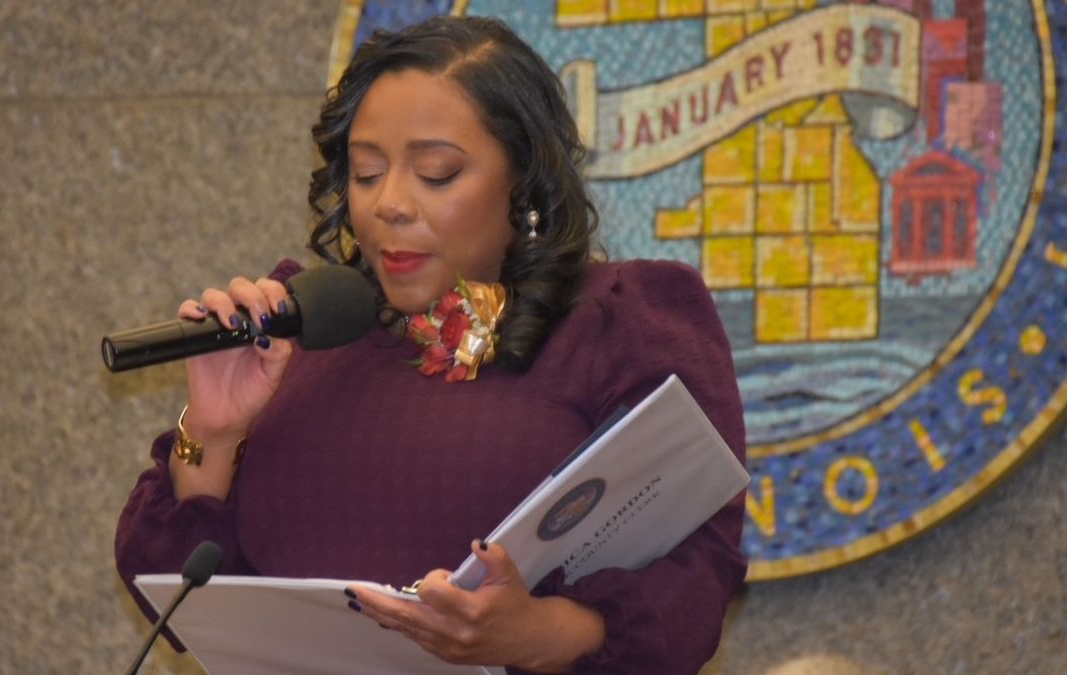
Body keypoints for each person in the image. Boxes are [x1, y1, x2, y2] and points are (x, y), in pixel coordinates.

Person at [115, 15, 746, 675]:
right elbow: (178, 601)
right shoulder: (298, 324)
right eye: (365, 173)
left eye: (437, 174)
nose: (389, 203)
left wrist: (536, 633)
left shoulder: (623, 319)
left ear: (522, 184)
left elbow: (698, 576)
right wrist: (214, 435)